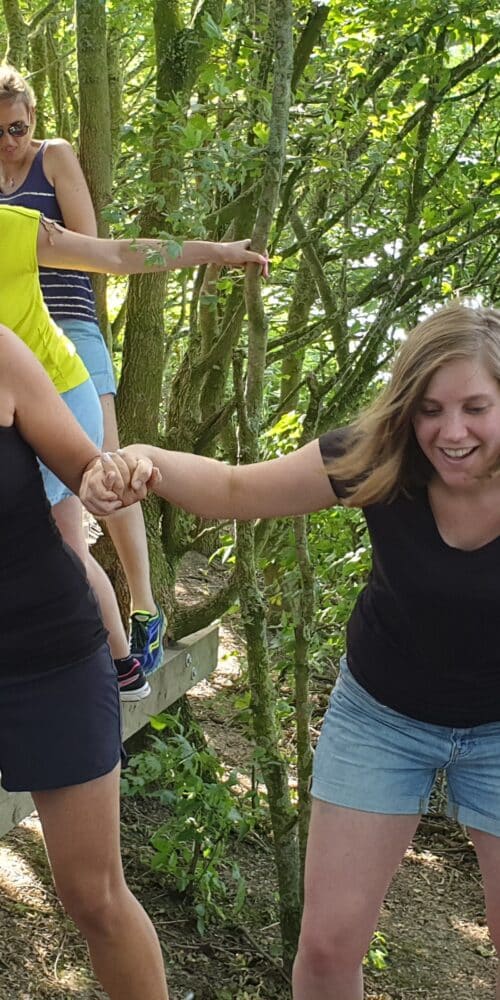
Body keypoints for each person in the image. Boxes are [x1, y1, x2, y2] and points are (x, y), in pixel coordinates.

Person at [85, 301, 500, 1000]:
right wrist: (143, 461)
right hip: (382, 717)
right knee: (328, 947)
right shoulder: (377, 456)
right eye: (430, 410)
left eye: (476, 408)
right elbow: (235, 488)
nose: (451, 432)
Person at [0, 199, 266, 699]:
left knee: (58, 544)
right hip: (9, 408)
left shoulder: (12, 227)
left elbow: (117, 255)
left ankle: (118, 666)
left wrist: (216, 252)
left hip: (58, 395)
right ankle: (118, 665)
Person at [0, 320, 170, 999]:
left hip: (50, 653)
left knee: (95, 896)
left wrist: (109, 477)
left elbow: (83, 466)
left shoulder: (2, 353)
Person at [0, 64, 168, 674]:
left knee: (105, 464)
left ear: (33, 119)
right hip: (13, 341)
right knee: (49, 503)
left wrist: (31, 239)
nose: (8, 141)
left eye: (16, 127)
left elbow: (95, 248)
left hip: (68, 328)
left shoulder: (54, 158)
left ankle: (144, 608)